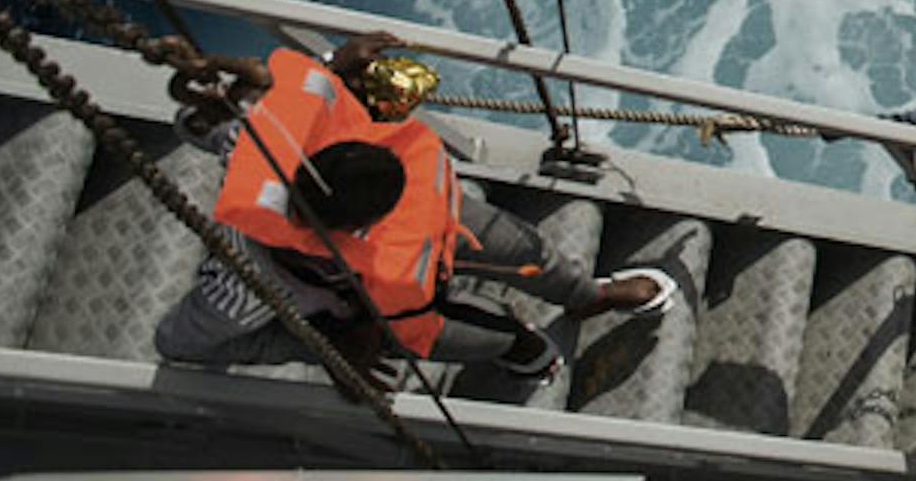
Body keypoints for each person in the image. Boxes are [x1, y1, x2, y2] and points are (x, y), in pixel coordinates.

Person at [155, 33, 675, 380]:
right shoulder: (244, 290)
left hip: (438, 227)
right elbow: (178, 344)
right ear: (363, 221)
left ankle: (586, 295)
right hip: (363, 304)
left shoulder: (265, 138)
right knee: (485, 333)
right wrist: (319, 343)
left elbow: (192, 123)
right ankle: (521, 350)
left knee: (527, 249)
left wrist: (336, 65)